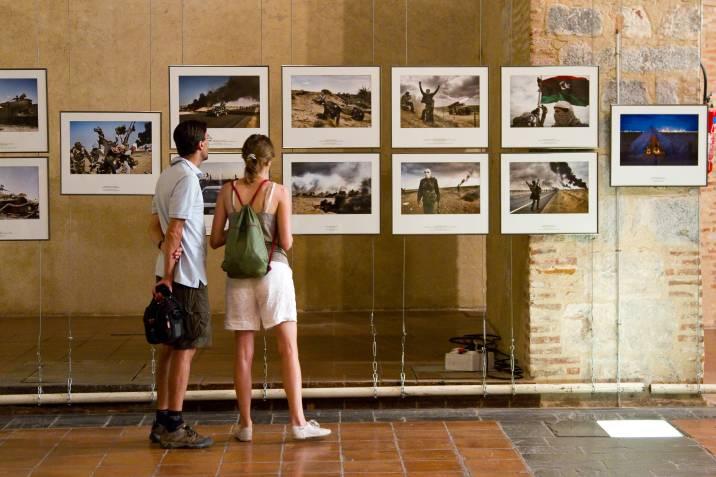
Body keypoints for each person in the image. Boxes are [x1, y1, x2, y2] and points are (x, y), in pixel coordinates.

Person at [209, 134, 332, 442]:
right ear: (269, 161)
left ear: (245, 158)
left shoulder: (227, 192)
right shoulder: (278, 192)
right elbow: (287, 242)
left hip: (239, 276)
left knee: (243, 352)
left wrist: (240, 230)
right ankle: (298, 422)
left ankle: (246, 425)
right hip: (273, 269)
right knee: (288, 348)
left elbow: (215, 240)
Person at [148, 120, 213, 449]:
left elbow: (152, 227)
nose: (208, 143)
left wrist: (163, 264)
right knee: (185, 348)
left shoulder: (166, 175)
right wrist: (170, 280)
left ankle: (161, 421)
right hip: (184, 278)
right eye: (207, 140)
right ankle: (174, 423)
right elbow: (175, 230)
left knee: (170, 348)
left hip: (170, 272)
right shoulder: (187, 179)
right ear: (200, 144)